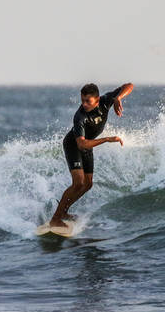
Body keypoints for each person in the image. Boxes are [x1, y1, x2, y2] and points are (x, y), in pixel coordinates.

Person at [49, 82, 134, 228]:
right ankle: (56, 218)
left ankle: (64, 212)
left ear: (97, 100)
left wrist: (118, 98)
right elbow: (81, 144)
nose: (84, 104)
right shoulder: (80, 116)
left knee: (88, 184)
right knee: (78, 183)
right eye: (82, 100)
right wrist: (107, 139)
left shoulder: (106, 100)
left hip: (88, 145)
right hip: (73, 145)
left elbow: (129, 85)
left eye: (87, 101)